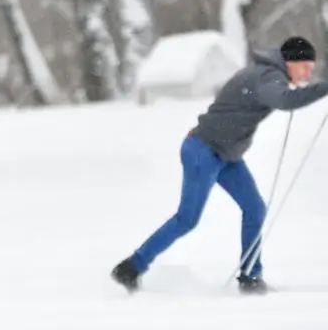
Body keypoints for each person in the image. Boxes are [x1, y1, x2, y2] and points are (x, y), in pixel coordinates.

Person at [112, 36, 328, 295]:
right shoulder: (268, 76)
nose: (307, 74)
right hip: (202, 151)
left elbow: (283, 97)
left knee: (254, 208)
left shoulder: (267, 74)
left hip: (226, 154)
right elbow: (285, 101)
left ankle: (250, 277)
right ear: (290, 61)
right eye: (305, 67)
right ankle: (131, 267)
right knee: (187, 219)